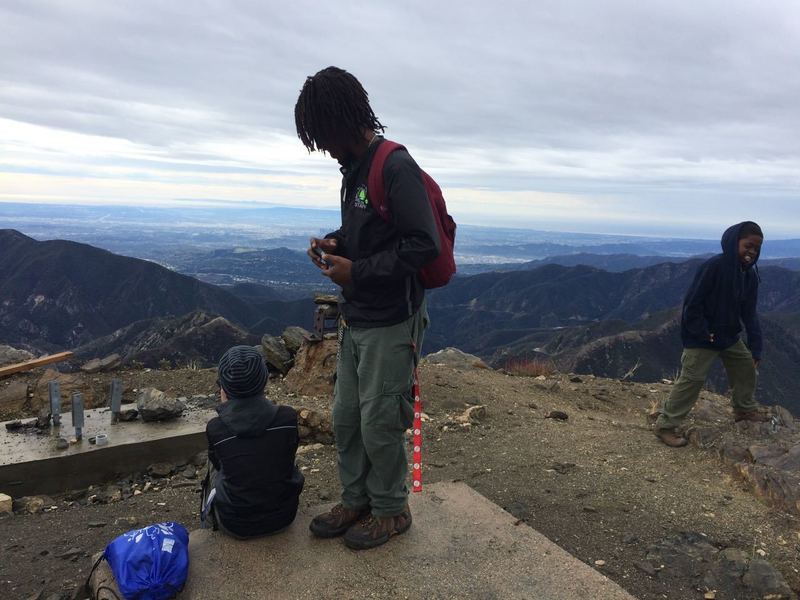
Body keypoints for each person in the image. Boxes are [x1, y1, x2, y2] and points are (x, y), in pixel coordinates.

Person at [294, 66, 440, 549]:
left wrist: (355, 272)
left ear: (343, 120)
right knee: (346, 418)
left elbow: (424, 246)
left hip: (392, 320)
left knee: (380, 421)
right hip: (358, 317)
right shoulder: (353, 171)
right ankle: (355, 500)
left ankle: (391, 510)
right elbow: (370, 236)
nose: (323, 147)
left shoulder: (394, 166)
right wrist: (335, 244)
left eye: (323, 135)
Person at [655, 221, 768, 447]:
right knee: (692, 380)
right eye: (748, 245)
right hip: (702, 337)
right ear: (734, 242)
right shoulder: (714, 266)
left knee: (746, 367)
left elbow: (749, 314)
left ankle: (743, 409)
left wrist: (756, 347)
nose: (752, 252)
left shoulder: (749, 276)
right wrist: (703, 332)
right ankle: (666, 426)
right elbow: (692, 304)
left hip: (727, 336)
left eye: (756, 248)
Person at [201, 345, 304, 537]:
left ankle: (208, 523)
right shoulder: (288, 418)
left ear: (223, 387)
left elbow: (219, 465)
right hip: (284, 517)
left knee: (214, 465)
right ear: (264, 381)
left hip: (235, 525)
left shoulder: (216, 428)